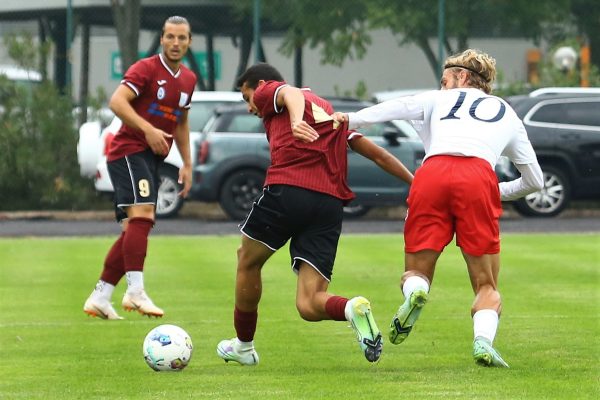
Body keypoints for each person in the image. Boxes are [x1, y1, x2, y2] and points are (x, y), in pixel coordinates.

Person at [333, 49, 543, 368]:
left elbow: (397, 108)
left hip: (431, 174)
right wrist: (494, 190)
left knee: (415, 271)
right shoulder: (506, 111)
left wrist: (350, 118)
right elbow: (535, 181)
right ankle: (483, 341)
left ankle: (415, 294)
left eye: (445, 80)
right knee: (486, 285)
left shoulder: (438, 99)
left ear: (461, 77)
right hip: (478, 176)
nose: (442, 86)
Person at [216, 63, 414, 365]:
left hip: (289, 191)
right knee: (309, 304)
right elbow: (378, 154)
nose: (249, 106)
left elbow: (288, 92)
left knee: (247, 261)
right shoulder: (327, 111)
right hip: (329, 206)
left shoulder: (275, 93)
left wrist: (295, 120)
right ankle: (352, 308)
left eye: (247, 97)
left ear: (261, 85)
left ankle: (243, 346)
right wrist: (417, 184)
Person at [83, 16, 197, 320]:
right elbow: (117, 102)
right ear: (161, 39)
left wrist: (187, 163)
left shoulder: (188, 79)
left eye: (182, 38)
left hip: (150, 158)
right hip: (128, 151)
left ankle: (101, 295)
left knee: (133, 229)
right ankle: (135, 292)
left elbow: (181, 122)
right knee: (144, 215)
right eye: (170, 37)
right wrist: (147, 130)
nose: (175, 43)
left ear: (189, 42)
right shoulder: (145, 69)